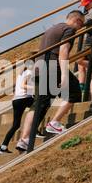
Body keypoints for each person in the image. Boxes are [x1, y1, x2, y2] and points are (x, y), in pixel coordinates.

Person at [14, 10, 84, 151]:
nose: (80, 27)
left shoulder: (53, 28)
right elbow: (63, 51)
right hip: (53, 67)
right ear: (76, 20)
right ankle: (54, 123)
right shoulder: (69, 30)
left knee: (38, 104)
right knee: (75, 92)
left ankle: (24, 138)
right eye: (81, 23)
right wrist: (64, 74)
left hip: (40, 68)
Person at [0, 60, 35, 154]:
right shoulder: (29, 72)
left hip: (16, 100)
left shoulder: (21, 73)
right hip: (24, 99)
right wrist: (35, 88)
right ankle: (34, 131)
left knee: (16, 125)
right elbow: (23, 85)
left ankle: (3, 147)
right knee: (40, 106)